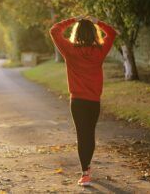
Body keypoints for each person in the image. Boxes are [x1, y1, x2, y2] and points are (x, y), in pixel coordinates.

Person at [49, 15, 117, 186]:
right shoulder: (99, 51)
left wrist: (73, 19)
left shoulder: (70, 50)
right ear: (94, 33)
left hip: (77, 101)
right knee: (90, 134)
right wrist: (98, 22)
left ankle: (85, 172)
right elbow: (112, 33)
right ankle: (87, 169)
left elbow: (54, 30)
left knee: (82, 134)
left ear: (76, 33)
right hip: (94, 101)